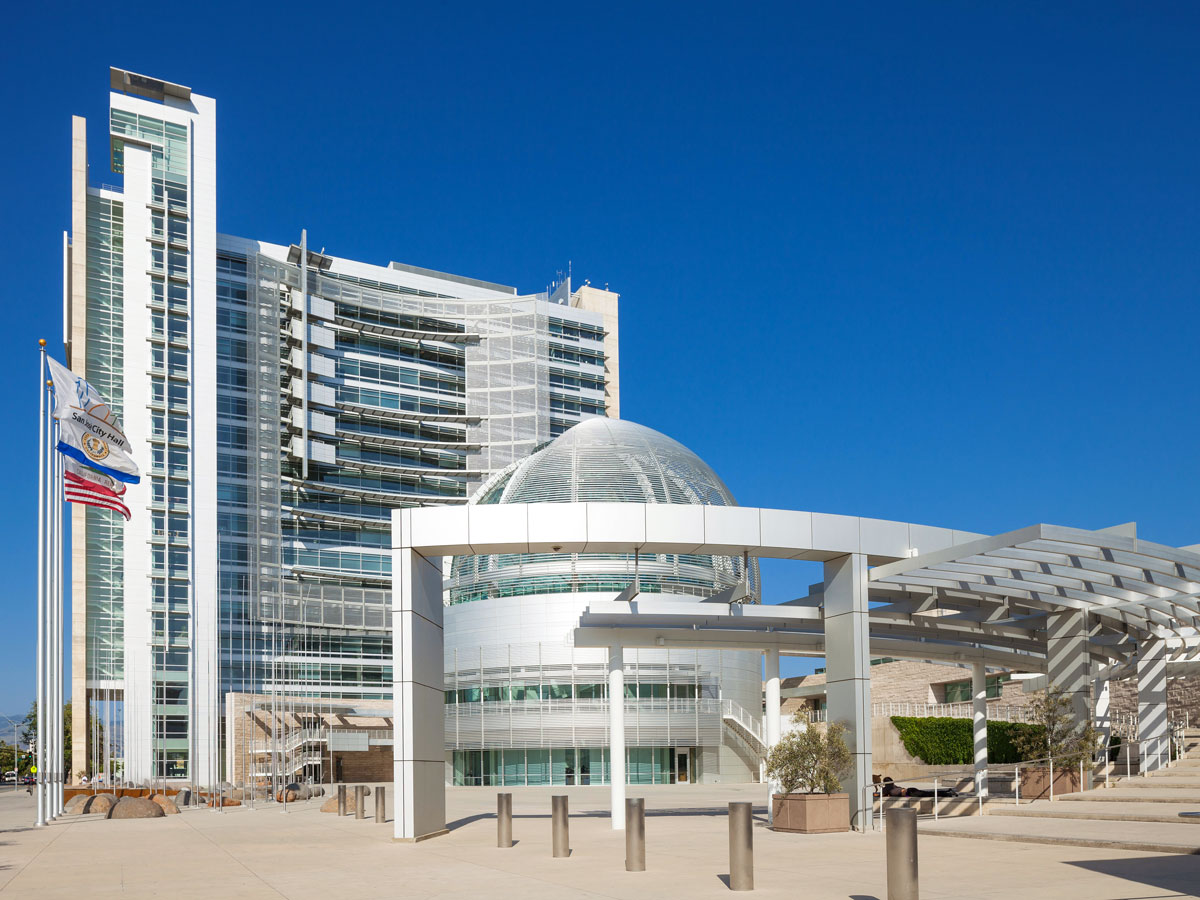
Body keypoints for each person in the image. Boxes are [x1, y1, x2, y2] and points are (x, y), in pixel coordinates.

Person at [880, 777, 958, 798]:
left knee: (928, 794)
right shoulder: (894, 786)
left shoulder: (887, 789)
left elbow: (881, 795)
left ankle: (947, 793)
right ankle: (947, 792)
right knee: (928, 793)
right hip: (910, 790)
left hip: (909, 792)